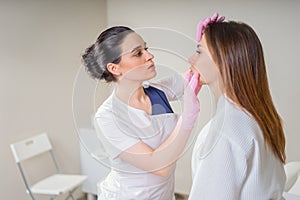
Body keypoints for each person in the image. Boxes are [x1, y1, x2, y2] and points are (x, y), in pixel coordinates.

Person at [82, 26, 201, 200]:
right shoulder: (108, 117)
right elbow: (158, 165)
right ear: (115, 68)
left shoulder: (157, 92)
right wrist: (187, 119)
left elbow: (197, 73)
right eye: (138, 53)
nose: (149, 56)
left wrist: (204, 45)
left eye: (146, 49)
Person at [188, 13, 286, 199]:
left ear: (223, 60)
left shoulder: (227, 129)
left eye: (199, 51)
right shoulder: (256, 116)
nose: (191, 59)